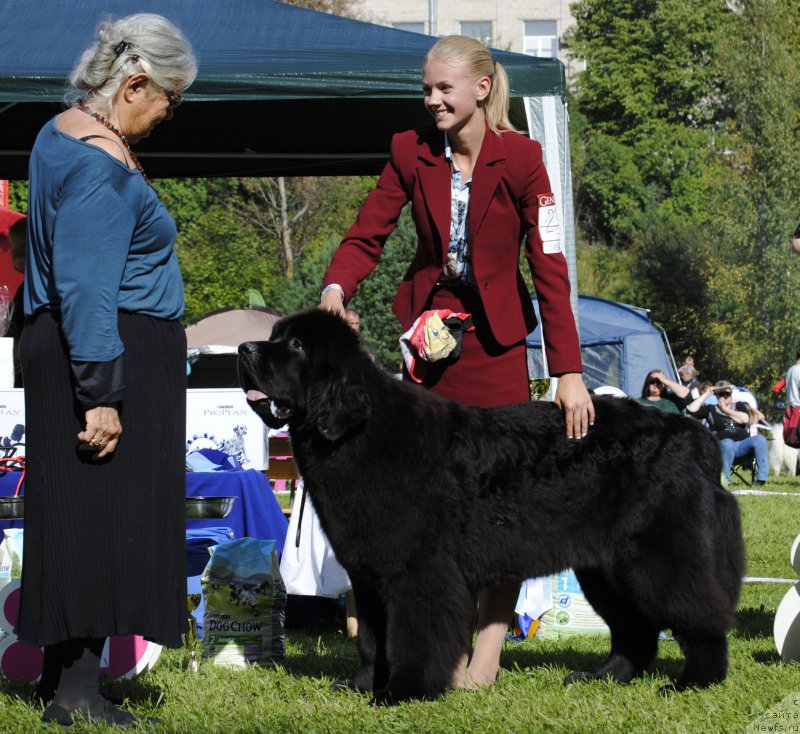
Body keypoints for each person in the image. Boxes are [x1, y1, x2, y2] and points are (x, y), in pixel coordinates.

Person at [319, 35, 593, 690]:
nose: (432, 100)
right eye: (426, 89)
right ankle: (443, 646)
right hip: (432, 345)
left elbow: (548, 267)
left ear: (480, 87)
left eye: (444, 88)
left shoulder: (525, 160)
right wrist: (335, 289)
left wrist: (569, 370)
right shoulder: (409, 152)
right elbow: (367, 235)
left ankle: (489, 652)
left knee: (498, 504)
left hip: (499, 349)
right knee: (433, 508)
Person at [17, 14, 196, 727]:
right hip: (102, 347)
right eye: (169, 99)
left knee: (72, 512)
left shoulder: (58, 132)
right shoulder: (98, 162)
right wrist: (102, 396)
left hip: (73, 343)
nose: (168, 114)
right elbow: (87, 284)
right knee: (101, 517)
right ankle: (78, 693)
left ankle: (62, 678)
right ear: (135, 82)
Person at [686, 380, 769, 486]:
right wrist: (706, 394)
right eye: (722, 394)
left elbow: (745, 419)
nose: (725, 396)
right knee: (728, 443)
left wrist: (726, 410)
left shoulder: (739, 405)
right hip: (722, 447)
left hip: (743, 445)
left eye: (727, 394)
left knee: (760, 439)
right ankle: (725, 481)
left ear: (731, 394)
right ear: (717, 395)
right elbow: (690, 410)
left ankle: (761, 479)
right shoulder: (711, 409)